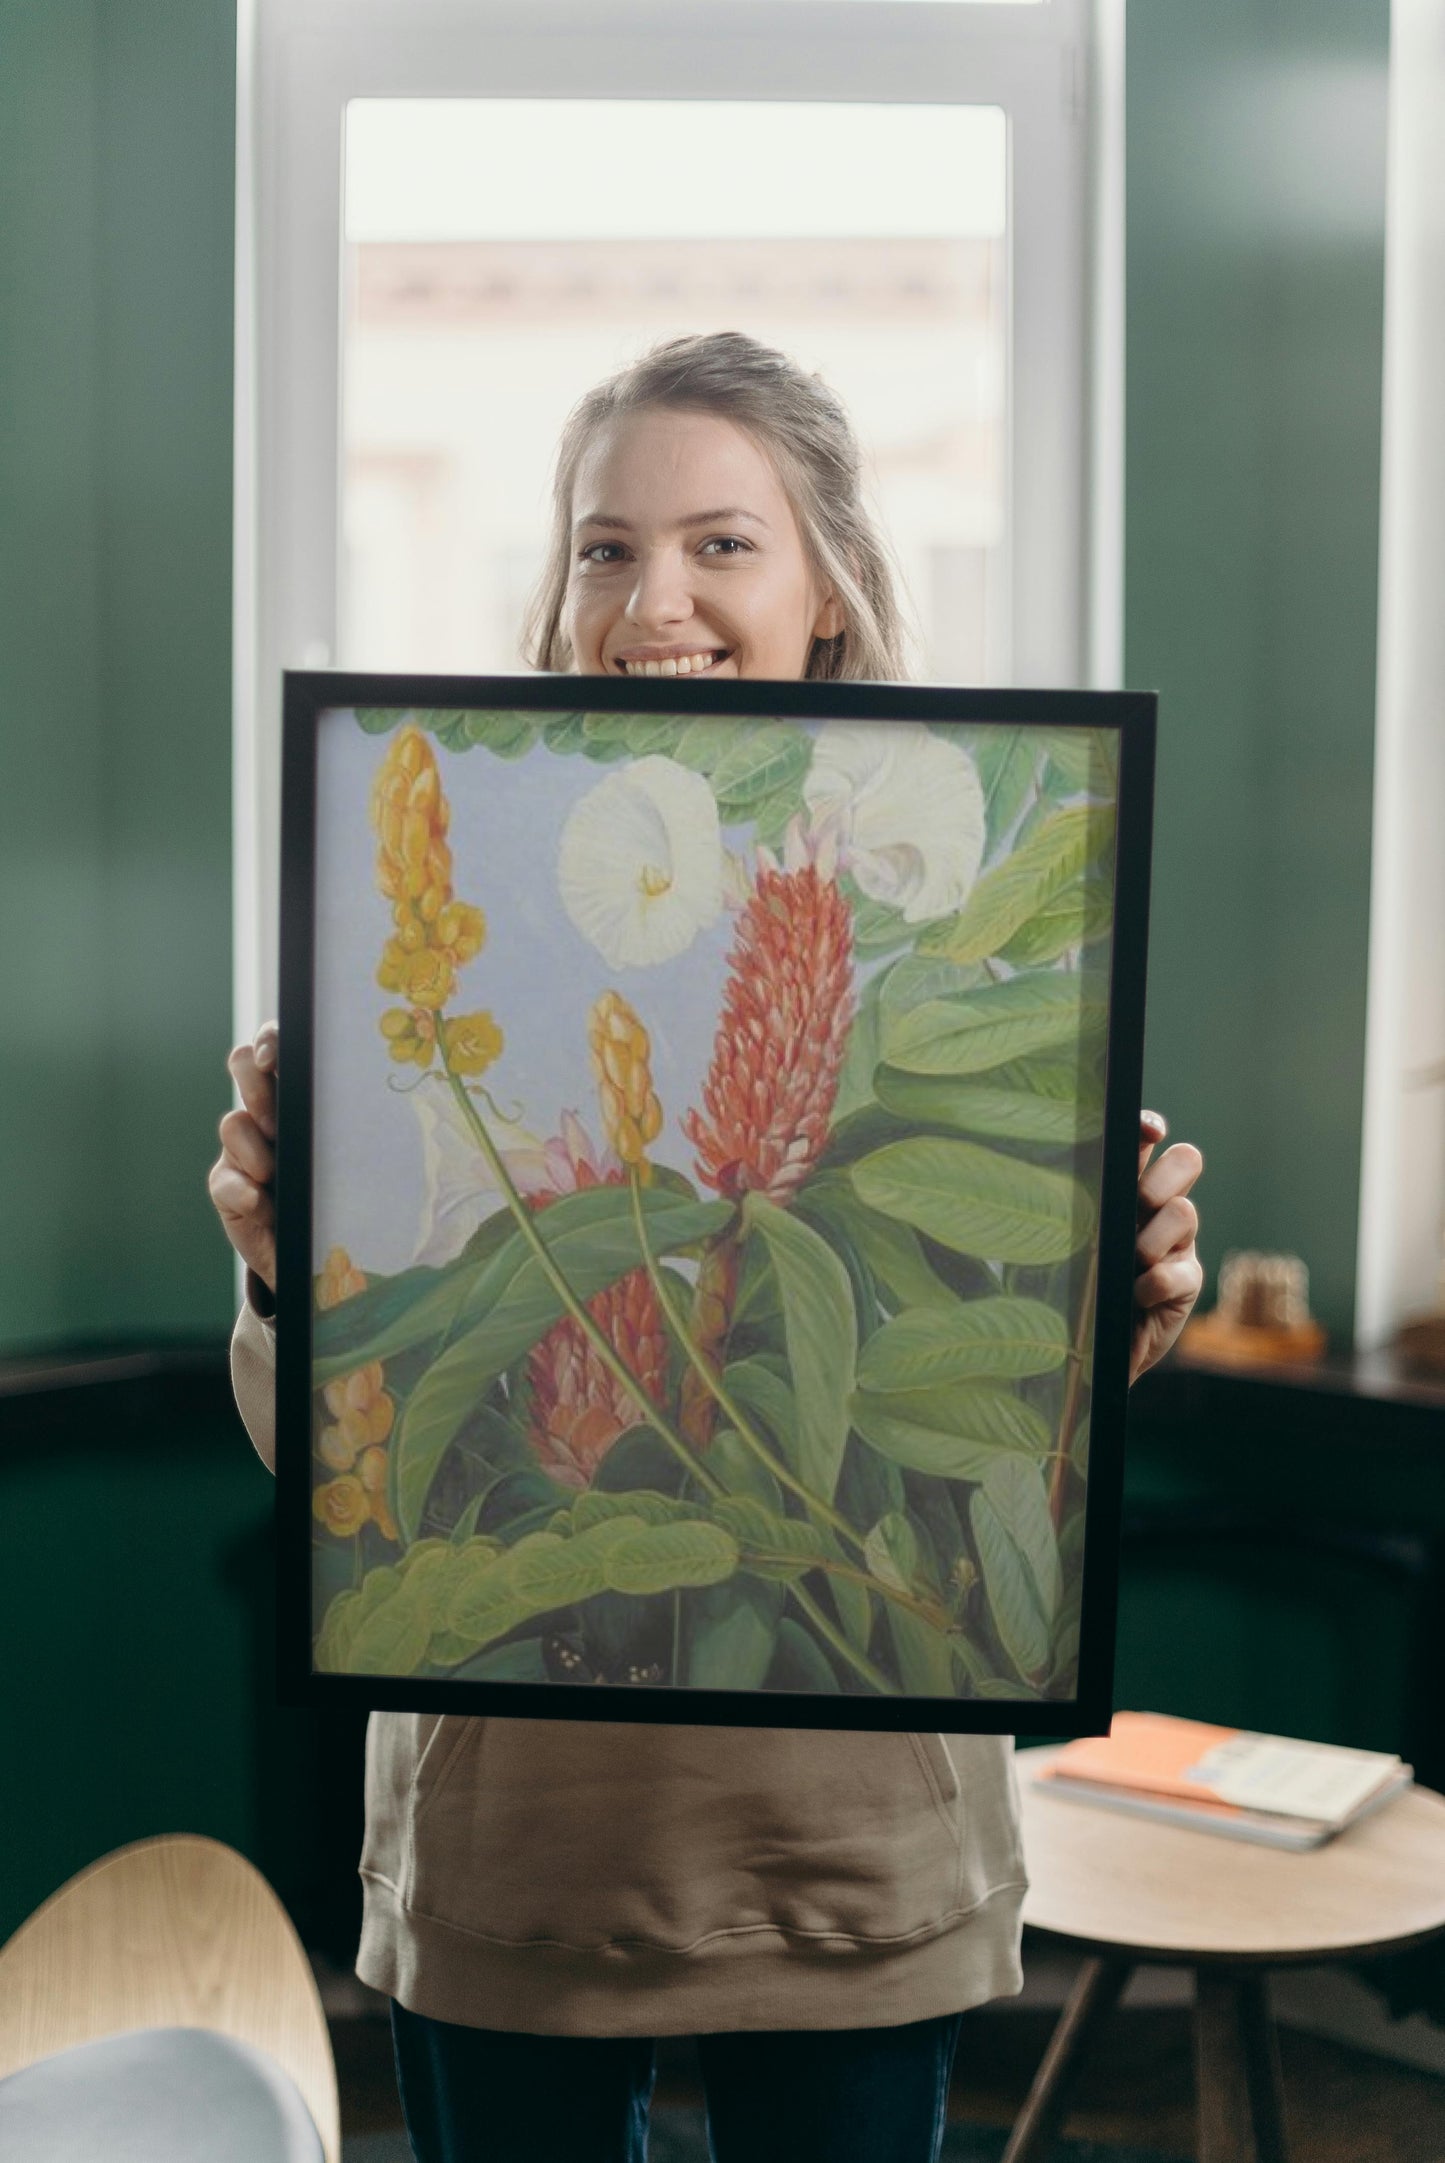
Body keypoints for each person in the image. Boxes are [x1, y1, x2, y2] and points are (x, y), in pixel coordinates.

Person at [210, 332, 1204, 2163]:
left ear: (827, 586)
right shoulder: (427, 911)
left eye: (719, 544)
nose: (650, 597)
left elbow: (993, 1452)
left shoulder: (971, 939)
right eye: (604, 546)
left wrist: (1106, 1310)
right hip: (519, 1846)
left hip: (847, 1846)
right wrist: (283, 1276)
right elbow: (339, 1470)